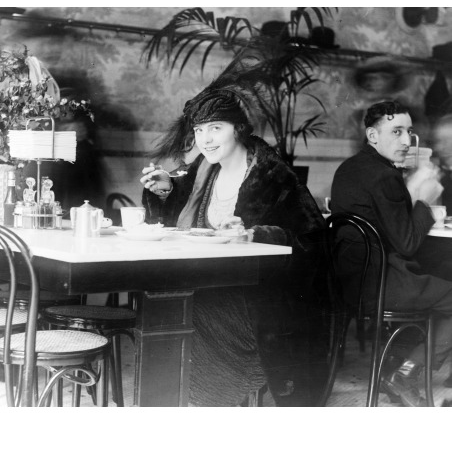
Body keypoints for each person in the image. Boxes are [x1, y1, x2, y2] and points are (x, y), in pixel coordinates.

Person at [140, 88, 328, 406]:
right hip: (209, 286)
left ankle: (203, 405)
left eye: (216, 128)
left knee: (178, 314)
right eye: (199, 130)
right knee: (161, 308)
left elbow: (314, 244)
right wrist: (165, 190)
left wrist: (256, 235)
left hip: (261, 300)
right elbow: (178, 223)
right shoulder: (203, 171)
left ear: (239, 128)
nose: (206, 139)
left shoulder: (273, 176)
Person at [331, 100, 452, 407]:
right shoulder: (385, 176)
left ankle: (396, 364)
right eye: (396, 131)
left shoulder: (351, 167)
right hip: (381, 283)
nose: (405, 140)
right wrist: (423, 200)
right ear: (372, 136)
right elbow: (408, 243)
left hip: (348, 282)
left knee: (440, 273)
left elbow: (386, 223)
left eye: (409, 132)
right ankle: (405, 373)